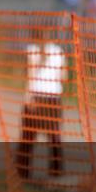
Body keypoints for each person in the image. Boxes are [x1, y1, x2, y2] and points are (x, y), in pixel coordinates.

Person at [15, 42, 66, 181]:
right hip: (53, 99)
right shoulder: (59, 51)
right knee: (54, 138)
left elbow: (30, 75)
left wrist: (27, 97)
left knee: (28, 137)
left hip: (36, 97)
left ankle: (23, 173)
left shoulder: (32, 49)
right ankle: (56, 173)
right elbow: (63, 76)